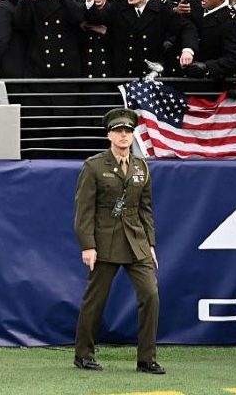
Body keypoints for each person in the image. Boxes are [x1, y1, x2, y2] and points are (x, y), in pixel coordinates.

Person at [73, 108, 164, 375]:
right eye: (118, 131)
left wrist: (150, 244)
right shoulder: (94, 166)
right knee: (95, 300)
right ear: (109, 135)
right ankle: (84, 355)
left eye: (128, 131)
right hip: (104, 243)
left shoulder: (140, 166)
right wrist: (87, 245)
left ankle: (146, 359)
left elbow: (145, 209)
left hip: (136, 242)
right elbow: (84, 210)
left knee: (150, 295)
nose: (124, 136)